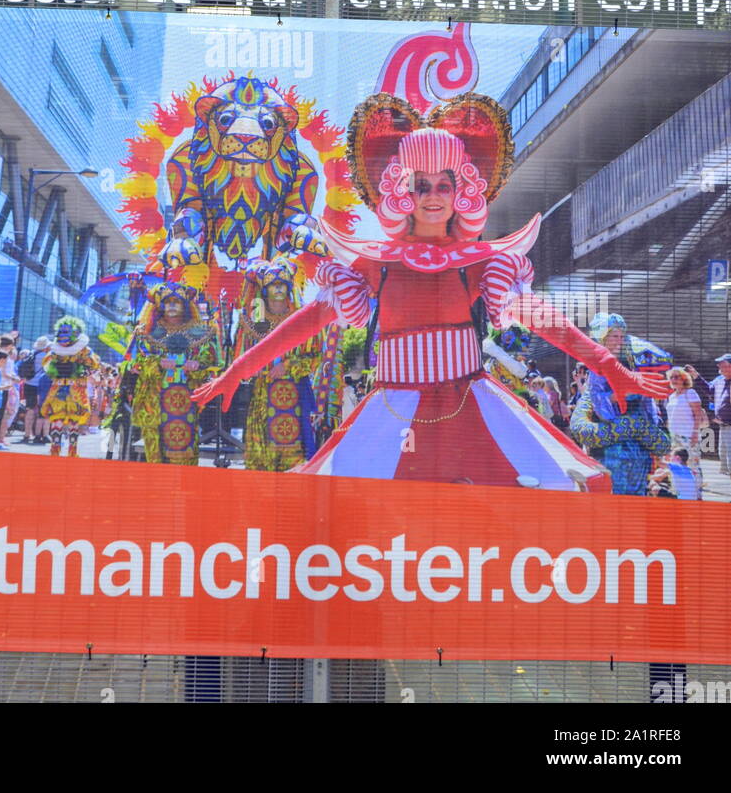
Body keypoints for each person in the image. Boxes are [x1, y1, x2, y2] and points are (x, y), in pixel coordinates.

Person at [194, 27, 668, 489]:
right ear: (402, 191)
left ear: (462, 189)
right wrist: (237, 370)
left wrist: (609, 365)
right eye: (422, 185)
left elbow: (541, 318)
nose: (434, 196)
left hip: (473, 406)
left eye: (445, 184)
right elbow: (311, 319)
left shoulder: (479, 261)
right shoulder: (377, 263)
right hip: (392, 413)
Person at [234, 256, 320, 472]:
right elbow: (241, 361)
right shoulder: (252, 321)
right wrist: (260, 367)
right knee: (260, 458)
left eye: (282, 284)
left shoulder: (303, 318)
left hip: (293, 400)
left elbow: (315, 356)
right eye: (273, 285)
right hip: (263, 397)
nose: (278, 290)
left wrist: (288, 366)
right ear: (265, 289)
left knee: (293, 458)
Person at [570, 314, 671, 495]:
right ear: (604, 338)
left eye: (621, 336)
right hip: (614, 432)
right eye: (614, 336)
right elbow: (597, 398)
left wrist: (652, 420)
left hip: (637, 432)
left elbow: (647, 397)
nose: (619, 340)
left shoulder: (633, 360)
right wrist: (618, 396)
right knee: (618, 476)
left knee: (639, 472)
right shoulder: (599, 366)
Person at [125, 283, 221, 466]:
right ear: (160, 305)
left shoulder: (202, 334)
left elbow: (214, 364)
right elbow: (132, 364)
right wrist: (156, 363)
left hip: (186, 402)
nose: (171, 305)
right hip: (154, 401)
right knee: (155, 454)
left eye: (177, 301)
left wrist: (198, 365)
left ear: (185, 304)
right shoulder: (145, 333)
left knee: (184, 451)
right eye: (167, 301)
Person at [40, 316, 101, 457]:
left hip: (76, 391)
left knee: (74, 421)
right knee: (57, 419)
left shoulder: (84, 350)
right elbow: (47, 365)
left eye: (67, 332)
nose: (63, 335)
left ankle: (72, 451)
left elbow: (93, 365)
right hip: (59, 389)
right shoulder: (54, 350)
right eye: (61, 332)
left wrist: (79, 370)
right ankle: (55, 450)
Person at [664, 366, 707, 482]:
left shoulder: (690, 393)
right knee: (677, 465)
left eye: (676, 377)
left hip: (688, 435)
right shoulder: (671, 396)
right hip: (675, 436)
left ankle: (697, 494)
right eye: (671, 377)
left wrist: (695, 433)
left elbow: (698, 414)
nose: (673, 380)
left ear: (684, 378)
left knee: (693, 465)